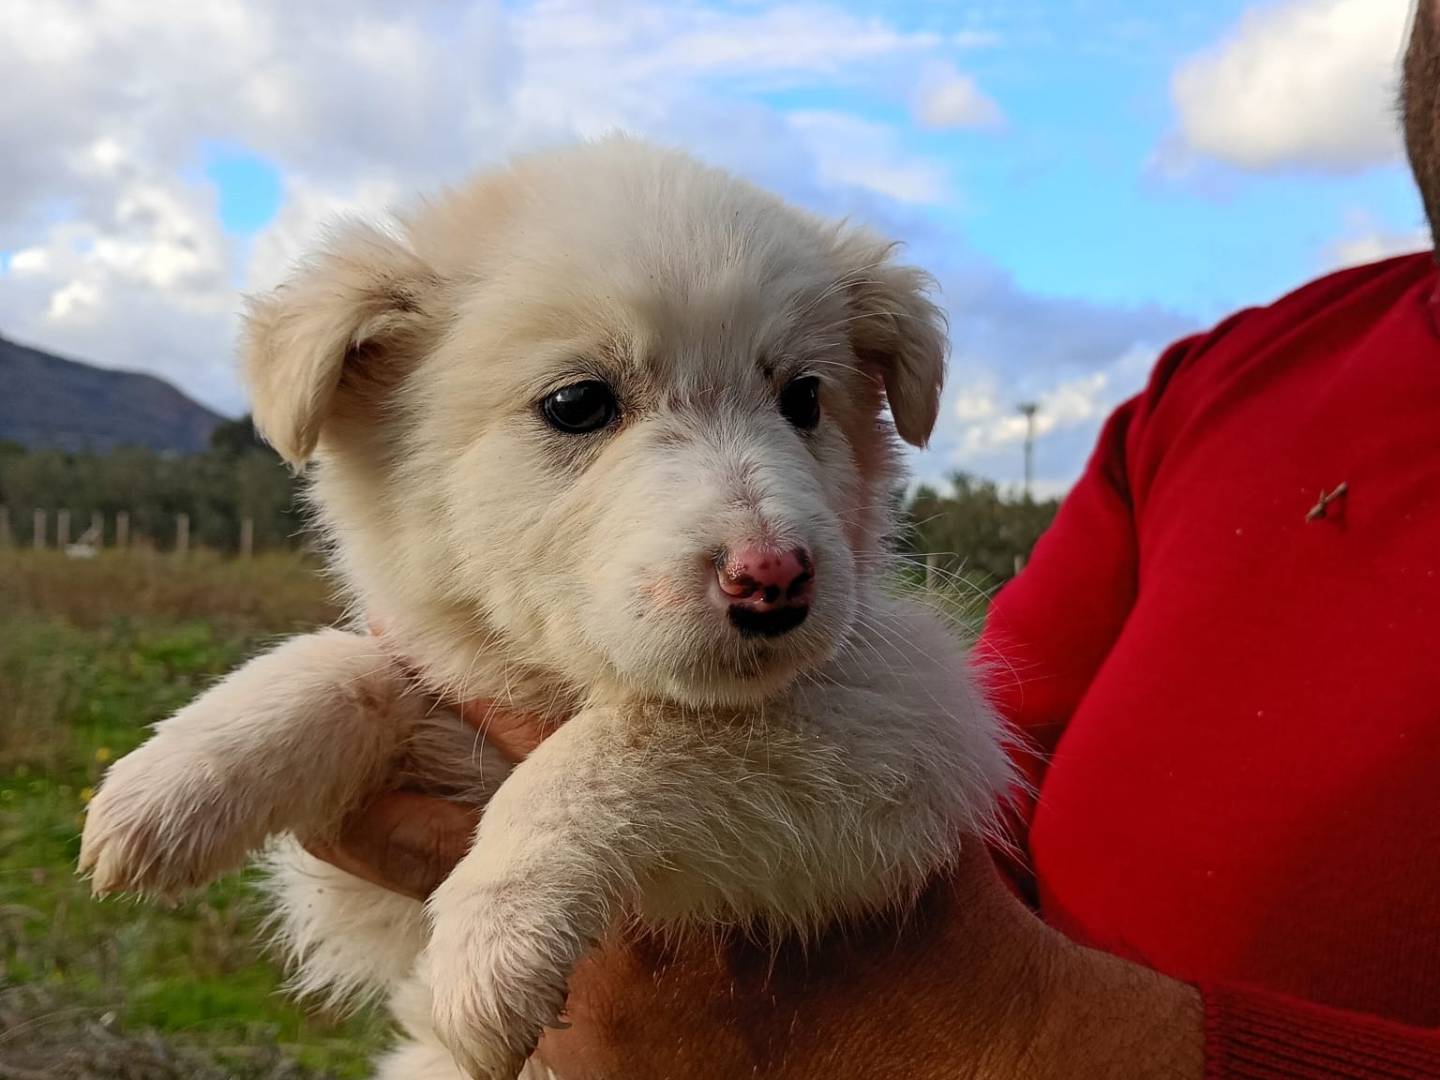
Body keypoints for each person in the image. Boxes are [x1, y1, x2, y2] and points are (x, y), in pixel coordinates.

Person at [309, 5, 1440, 1075]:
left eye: (802, 400)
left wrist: (1007, 1042)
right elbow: (983, 753)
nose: (767, 538)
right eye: (580, 407)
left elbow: (896, 751)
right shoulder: (1227, 385)